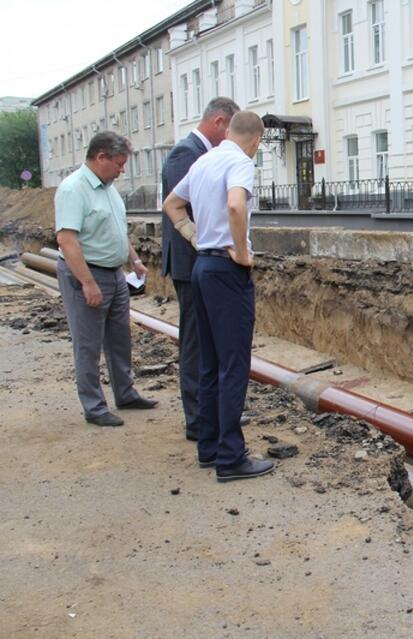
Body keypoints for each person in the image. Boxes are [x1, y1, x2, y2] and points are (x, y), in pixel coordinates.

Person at [162, 111, 273, 482]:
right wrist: (241, 252)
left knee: (209, 363)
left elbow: (171, 205)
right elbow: (236, 205)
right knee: (233, 364)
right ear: (256, 139)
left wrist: (194, 236)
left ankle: (208, 448)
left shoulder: (203, 161)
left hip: (202, 268)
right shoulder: (240, 162)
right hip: (227, 271)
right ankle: (231, 457)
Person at [54, 131, 158, 427]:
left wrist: (135, 260)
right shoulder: (74, 189)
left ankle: (125, 393)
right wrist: (87, 282)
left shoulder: (108, 188)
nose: (122, 170)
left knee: (119, 339)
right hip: (87, 274)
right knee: (88, 344)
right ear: (101, 157)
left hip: (114, 273)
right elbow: (67, 239)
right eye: (119, 163)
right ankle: (94, 406)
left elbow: (116, 229)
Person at [161, 97, 240, 441]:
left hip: (203, 262)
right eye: (233, 129)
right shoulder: (186, 153)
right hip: (193, 262)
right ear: (221, 122)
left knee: (209, 341)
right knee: (195, 342)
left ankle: (213, 414)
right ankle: (198, 419)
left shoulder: (202, 153)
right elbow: (183, 209)